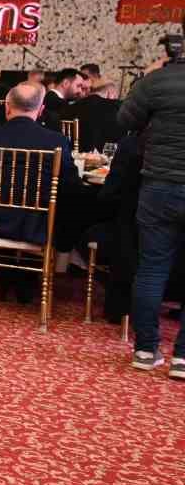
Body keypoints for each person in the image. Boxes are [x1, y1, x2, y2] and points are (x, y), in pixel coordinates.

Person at [116, 40, 185, 375]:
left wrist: (148, 78)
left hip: (159, 185)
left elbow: (124, 120)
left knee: (152, 268)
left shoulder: (158, 80)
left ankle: (145, 350)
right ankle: (182, 358)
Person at [0, 83, 79, 250]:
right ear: (41, 110)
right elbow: (70, 185)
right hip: (36, 229)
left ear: (7, 107)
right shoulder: (56, 141)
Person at [65, 80, 122, 155]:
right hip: (105, 157)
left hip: (72, 154)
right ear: (110, 94)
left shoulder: (70, 107)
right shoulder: (117, 108)